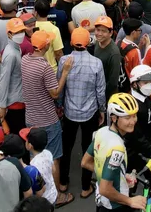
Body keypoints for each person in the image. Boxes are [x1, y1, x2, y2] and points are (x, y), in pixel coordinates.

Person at [22, 30, 72, 198]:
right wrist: (65, 72)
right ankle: (56, 196)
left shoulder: (24, 60)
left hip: (31, 118)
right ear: (47, 46)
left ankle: (37, 193)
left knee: (35, 158)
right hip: (48, 119)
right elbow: (55, 93)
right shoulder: (44, 67)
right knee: (54, 158)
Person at [59, 27, 107, 197]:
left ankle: (63, 183)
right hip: (90, 113)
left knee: (66, 147)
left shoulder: (64, 60)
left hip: (69, 112)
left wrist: (60, 106)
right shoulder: (96, 63)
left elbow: (61, 87)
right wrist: (102, 110)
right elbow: (100, 91)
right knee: (89, 149)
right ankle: (86, 187)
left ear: (72, 42)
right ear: (89, 42)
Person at [80, 93, 147, 211]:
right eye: (127, 117)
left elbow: (85, 162)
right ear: (114, 118)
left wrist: (117, 175)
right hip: (115, 205)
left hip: (101, 202)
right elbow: (105, 189)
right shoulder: (117, 148)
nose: (133, 121)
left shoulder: (101, 132)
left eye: (134, 115)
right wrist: (130, 201)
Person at [22, 127, 58, 206]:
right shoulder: (47, 152)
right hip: (53, 193)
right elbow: (54, 170)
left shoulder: (33, 164)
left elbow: (39, 186)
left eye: (26, 140)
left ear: (30, 146)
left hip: (45, 200)